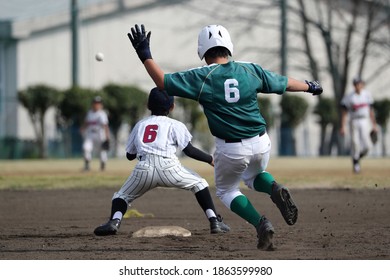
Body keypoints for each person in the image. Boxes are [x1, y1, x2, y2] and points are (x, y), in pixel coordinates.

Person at [127, 24, 323, 250]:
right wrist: (310, 86)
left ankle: (260, 223)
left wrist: (145, 55)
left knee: (227, 190)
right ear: (228, 47)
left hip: (231, 149)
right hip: (261, 142)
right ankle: (274, 188)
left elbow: (162, 82)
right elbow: (284, 83)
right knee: (254, 176)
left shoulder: (202, 76)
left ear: (202, 51)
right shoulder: (250, 69)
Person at [94, 87, 230, 236]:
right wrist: (211, 159)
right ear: (172, 107)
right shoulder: (175, 125)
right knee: (199, 184)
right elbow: (189, 150)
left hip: (144, 168)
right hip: (170, 167)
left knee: (121, 196)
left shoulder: (140, 125)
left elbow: (129, 155)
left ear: (148, 106)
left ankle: (114, 222)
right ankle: (214, 221)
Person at [340, 77, 377, 173]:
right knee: (355, 143)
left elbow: (371, 111)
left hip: (365, 120)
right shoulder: (349, 97)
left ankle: (357, 157)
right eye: (356, 84)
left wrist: (374, 125)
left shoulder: (367, 95)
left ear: (362, 84)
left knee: (368, 145)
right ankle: (356, 164)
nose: (358, 86)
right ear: (354, 85)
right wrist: (343, 126)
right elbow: (344, 112)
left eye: (359, 84)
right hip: (354, 121)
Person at [80, 96, 110, 171]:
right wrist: (82, 128)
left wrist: (107, 137)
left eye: (98, 103)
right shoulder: (89, 113)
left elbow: (105, 126)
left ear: (101, 105)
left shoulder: (102, 114)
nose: (97, 105)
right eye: (95, 103)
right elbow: (86, 123)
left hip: (99, 134)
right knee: (86, 147)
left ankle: (102, 165)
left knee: (102, 150)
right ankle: (87, 166)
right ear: (92, 104)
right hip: (90, 134)